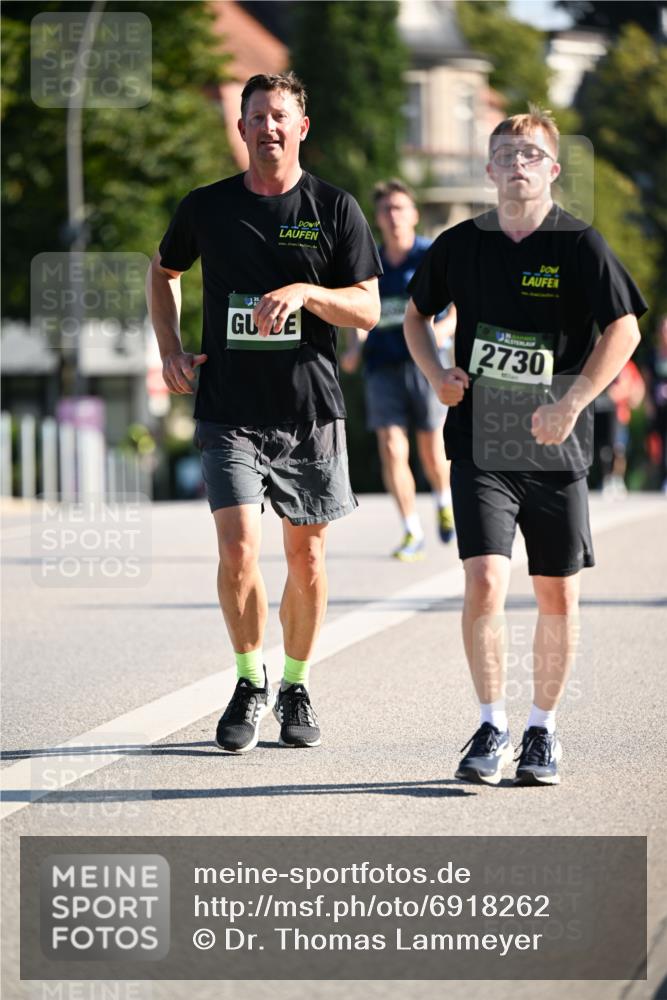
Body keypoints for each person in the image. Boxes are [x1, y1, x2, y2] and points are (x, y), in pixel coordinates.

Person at [404, 106, 647, 786]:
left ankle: (542, 730)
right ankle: (490, 723)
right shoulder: (459, 245)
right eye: (506, 154)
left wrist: (572, 401)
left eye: (531, 155)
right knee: (485, 578)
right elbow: (416, 317)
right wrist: (437, 374)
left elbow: (624, 328)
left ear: (552, 169)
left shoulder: (579, 244)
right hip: (479, 442)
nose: (518, 165)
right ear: (489, 168)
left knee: (556, 595)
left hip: (553, 448)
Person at [148, 72, 381, 754]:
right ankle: (250, 680)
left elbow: (368, 308)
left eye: (279, 116)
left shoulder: (334, 207)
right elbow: (163, 271)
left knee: (305, 558)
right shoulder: (207, 207)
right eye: (256, 117)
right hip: (229, 411)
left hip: (309, 411)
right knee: (238, 549)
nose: (267, 127)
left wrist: (308, 291)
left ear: (301, 127)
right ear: (242, 127)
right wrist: (170, 349)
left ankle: (296, 684)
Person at [341, 180, 456, 561]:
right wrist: (354, 348)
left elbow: (459, 303)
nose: (393, 216)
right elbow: (360, 311)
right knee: (391, 447)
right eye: (386, 209)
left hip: (426, 364)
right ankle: (411, 531)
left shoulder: (430, 254)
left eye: (400, 208)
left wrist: (443, 330)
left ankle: (443, 500)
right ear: (377, 218)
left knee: (432, 449)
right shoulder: (369, 260)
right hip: (382, 366)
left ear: (414, 214)